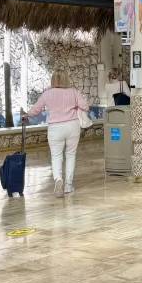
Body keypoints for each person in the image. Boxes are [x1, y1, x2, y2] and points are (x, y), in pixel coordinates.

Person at [22, 70, 89, 198]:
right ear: (66, 79)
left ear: (53, 79)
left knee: (56, 156)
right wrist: (75, 106)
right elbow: (85, 107)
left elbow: (36, 109)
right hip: (72, 126)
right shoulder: (74, 92)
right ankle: (69, 185)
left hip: (55, 128)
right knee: (70, 155)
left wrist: (27, 114)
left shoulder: (47, 94)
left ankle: (58, 179)